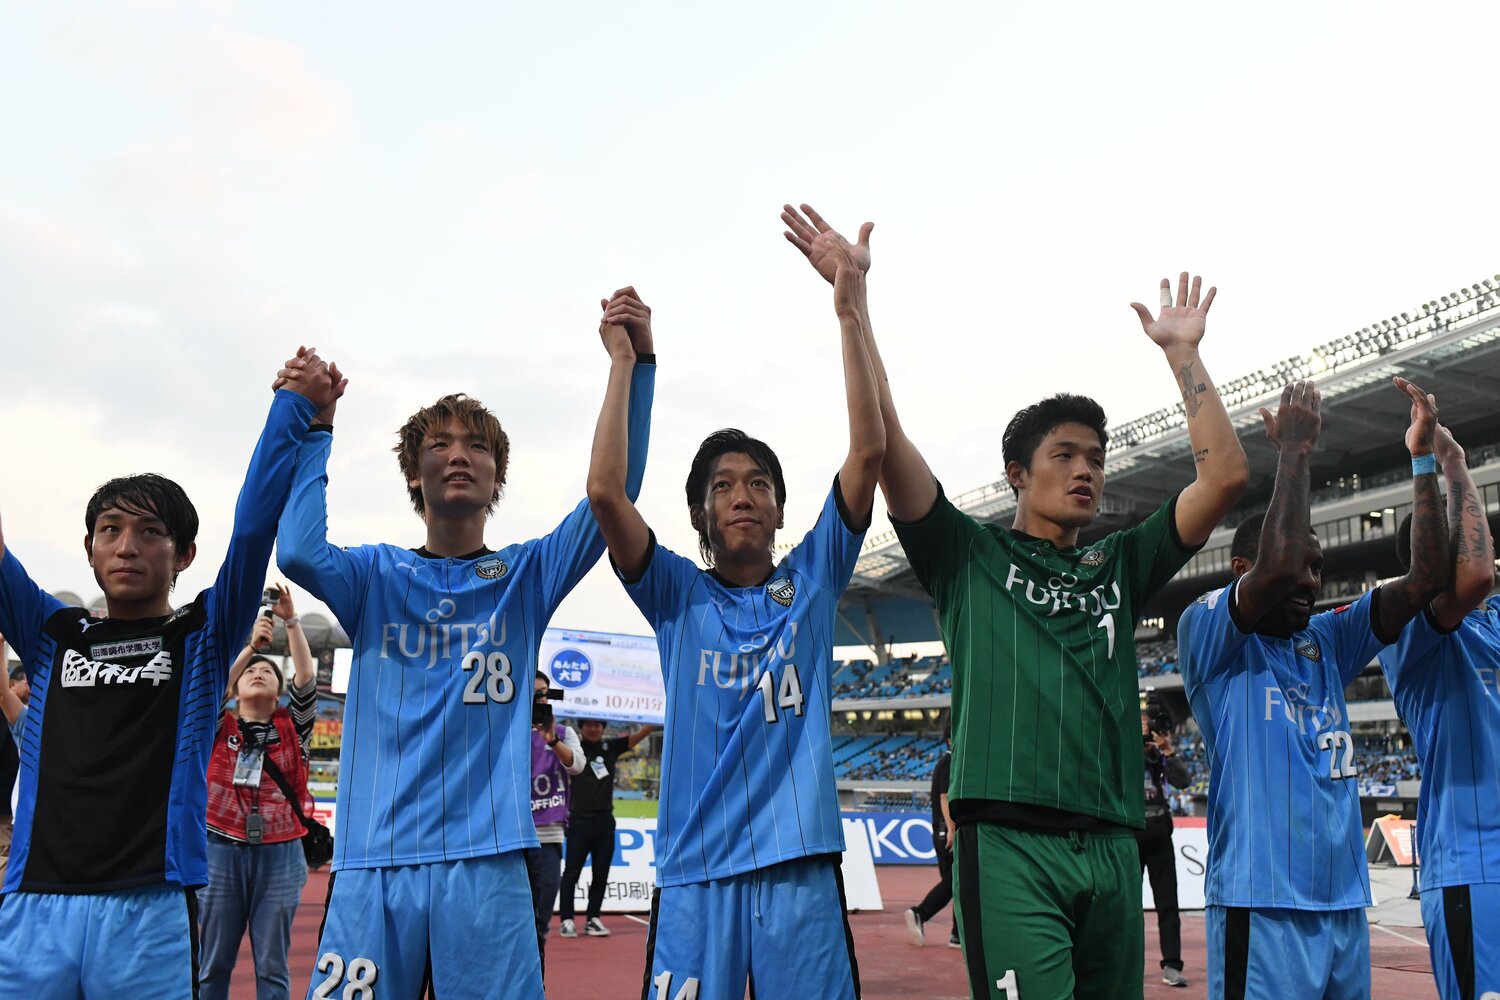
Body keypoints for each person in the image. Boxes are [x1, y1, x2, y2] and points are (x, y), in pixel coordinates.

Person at [787, 200, 1250, 998]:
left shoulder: (1120, 562)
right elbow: (883, 439)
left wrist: (1184, 356)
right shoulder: (965, 552)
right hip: (1007, 842)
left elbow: (1226, 477)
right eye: (1064, 455)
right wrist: (852, 307)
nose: (1087, 470)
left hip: (1113, 845)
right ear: (1016, 474)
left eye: (1096, 458)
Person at [277, 328, 655, 1000]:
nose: (459, 454)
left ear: (497, 476)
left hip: (488, 862)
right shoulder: (373, 575)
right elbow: (299, 552)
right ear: (413, 474)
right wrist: (318, 429)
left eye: (477, 446)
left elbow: (612, 496)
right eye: (439, 445)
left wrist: (633, 365)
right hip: (375, 861)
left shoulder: (527, 574)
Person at [589, 218, 882, 998]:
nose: (742, 495)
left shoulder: (814, 578)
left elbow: (868, 452)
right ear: (700, 514)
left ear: (781, 509)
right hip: (695, 875)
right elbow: (605, 494)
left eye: (758, 483)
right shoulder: (676, 593)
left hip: (800, 872)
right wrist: (628, 364)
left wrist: (850, 308)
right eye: (722, 486)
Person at [0, 348, 334, 998]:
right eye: (110, 530)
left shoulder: (201, 636)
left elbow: (252, 531)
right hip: (34, 904)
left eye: (150, 531)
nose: (126, 546)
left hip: (149, 911)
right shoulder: (50, 634)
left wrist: (294, 410)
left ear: (184, 553)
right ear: (89, 548)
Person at [1178, 377, 1448, 999]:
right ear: (1241, 569)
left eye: (1319, 568)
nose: (1310, 580)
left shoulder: (1327, 638)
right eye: (1302, 563)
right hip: (1262, 903)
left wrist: (1424, 460)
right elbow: (1278, 566)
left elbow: (1427, 577)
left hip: (1344, 904)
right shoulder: (1207, 632)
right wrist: (1295, 452)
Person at [1377, 423, 1500, 1000]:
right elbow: (1477, 576)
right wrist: (1450, 464)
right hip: (1474, 869)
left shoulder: (1492, 623)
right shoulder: (1406, 630)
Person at [198, 583, 318, 1000]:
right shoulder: (216, 728)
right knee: (212, 963)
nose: (258, 672)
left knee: (272, 965)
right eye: (250, 671)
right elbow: (212, 686)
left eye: (268, 671)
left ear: (280, 693)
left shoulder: (293, 729)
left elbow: (306, 679)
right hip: (219, 848)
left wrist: (292, 621)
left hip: (281, 852)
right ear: (234, 691)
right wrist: (251, 647)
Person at [558, 716, 657, 938]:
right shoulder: (573, 748)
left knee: (601, 873)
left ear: (603, 728)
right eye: (588, 725)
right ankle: (567, 920)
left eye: (597, 725)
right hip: (578, 821)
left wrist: (655, 720)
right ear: (581, 727)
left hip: (605, 821)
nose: (593, 728)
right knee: (571, 873)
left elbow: (637, 736)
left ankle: (593, 919)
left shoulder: (611, 747)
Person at [526, 670, 584, 977]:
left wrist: (551, 740)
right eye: (533, 693)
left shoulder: (563, 732)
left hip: (547, 839)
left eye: (543, 694)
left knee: (539, 925)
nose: (539, 699)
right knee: (505, 924)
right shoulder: (507, 730)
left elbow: (577, 765)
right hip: (511, 840)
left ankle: (534, 989)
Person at [1138, 708, 1191, 987]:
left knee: (1168, 904)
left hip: (1160, 836)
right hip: (1129, 837)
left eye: (1148, 725)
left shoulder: (1160, 756)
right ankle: (1129, 964)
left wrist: (1168, 751)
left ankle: (1172, 964)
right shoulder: (1121, 751)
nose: (1146, 730)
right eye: (1141, 725)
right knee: (1128, 908)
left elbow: (1183, 782)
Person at [905, 726, 958, 949]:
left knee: (957, 885)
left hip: (942, 830)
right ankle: (920, 913)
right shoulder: (949, 762)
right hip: (946, 831)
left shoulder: (945, 762)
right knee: (955, 881)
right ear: (950, 740)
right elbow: (944, 796)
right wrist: (952, 829)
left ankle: (957, 934)